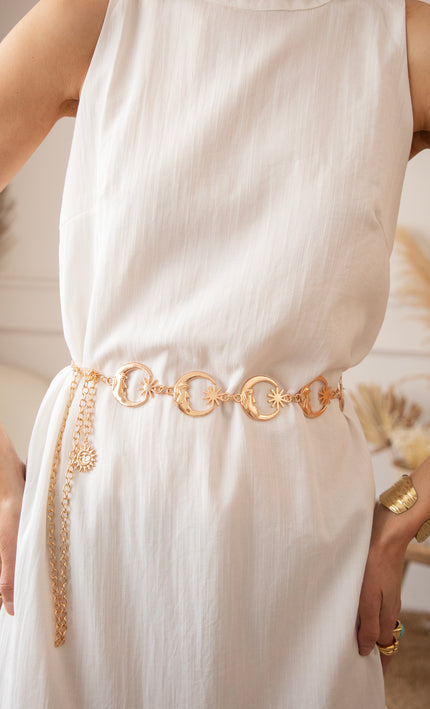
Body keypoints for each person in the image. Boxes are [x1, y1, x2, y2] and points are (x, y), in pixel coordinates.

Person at [0, 0, 429, 706]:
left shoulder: (400, 38)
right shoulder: (102, 13)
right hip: (99, 526)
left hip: (304, 544)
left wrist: (407, 513)